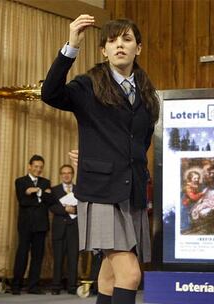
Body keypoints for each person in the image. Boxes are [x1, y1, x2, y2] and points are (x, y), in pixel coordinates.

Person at [41, 15, 160, 304]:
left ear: (138, 48)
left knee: (108, 278)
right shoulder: (88, 85)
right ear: (103, 50)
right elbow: (50, 93)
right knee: (131, 274)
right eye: (112, 40)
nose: (120, 45)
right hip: (102, 193)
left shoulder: (147, 93)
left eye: (127, 39)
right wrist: (71, 44)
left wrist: (98, 154)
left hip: (131, 193)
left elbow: (138, 145)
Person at [12, 154, 52, 295]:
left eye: (40, 167)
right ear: (29, 166)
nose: (38, 169)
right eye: (35, 166)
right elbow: (23, 201)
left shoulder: (45, 182)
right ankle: (16, 285)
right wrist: (41, 197)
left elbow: (50, 201)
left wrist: (37, 192)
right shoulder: (20, 181)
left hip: (41, 225)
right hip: (25, 225)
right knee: (22, 254)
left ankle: (33, 286)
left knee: (38, 256)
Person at [49, 164, 79, 295]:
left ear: (72, 174)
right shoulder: (54, 190)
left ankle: (72, 286)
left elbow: (84, 207)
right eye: (63, 173)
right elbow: (51, 207)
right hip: (59, 228)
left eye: (69, 173)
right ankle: (56, 286)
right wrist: (64, 209)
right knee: (58, 258)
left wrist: (75, 209)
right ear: (60, 175)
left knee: (73, 258)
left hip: (74, 229)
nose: (66, 175)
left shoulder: (79, 190)